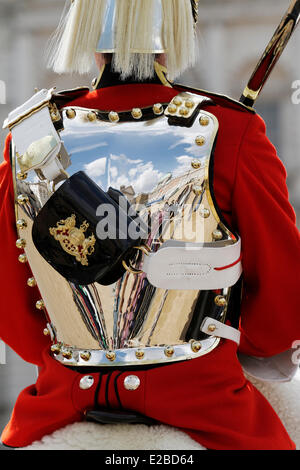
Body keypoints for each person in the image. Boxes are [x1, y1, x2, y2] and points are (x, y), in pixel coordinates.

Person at [0, 0, 299, 450]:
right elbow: (284, 306)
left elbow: (14, 308)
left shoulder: (25, 138)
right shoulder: (231, 130)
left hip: (59, 404)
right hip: (209, 409)